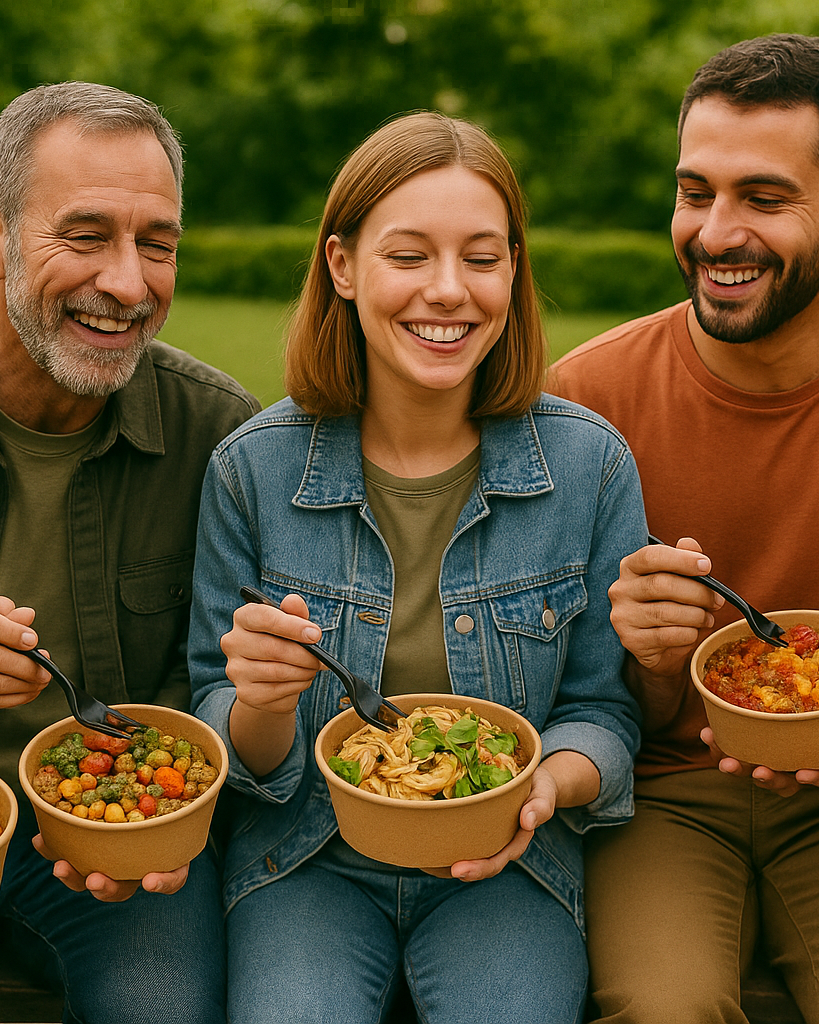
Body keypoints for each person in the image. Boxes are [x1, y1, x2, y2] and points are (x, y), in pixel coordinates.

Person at [550, 35, 819, 1024]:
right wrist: (652, 655)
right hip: (661, 794)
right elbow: (567, 687)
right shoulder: (585, 395)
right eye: (694, 190)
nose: (716, 232)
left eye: (763, 197)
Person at [188, 111, 645, 1023]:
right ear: (343, 266)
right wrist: (264, 701)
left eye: (482, 258)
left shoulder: (590, 467)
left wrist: (538, 786)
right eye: (409, 256)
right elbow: (224, 733)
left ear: (514, 271)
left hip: (510, 860)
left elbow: (604, 710)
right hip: (305, 859)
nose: (449, 291)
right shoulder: (252, 471)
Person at [0, 82, 257, 1024]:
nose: (127, 282)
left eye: (156, 243)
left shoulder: (222, 437)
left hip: (113, 845)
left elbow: (222, 696)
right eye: (84, 236)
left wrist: (145, 824)